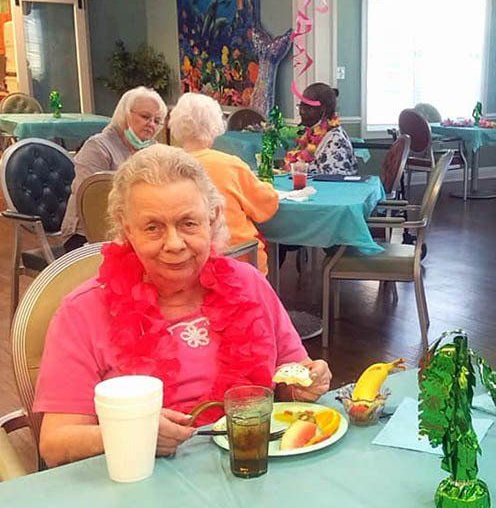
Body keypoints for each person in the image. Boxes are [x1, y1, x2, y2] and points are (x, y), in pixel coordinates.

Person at [34, 145, 331, 467]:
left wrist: (307, 383)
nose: (174, 244)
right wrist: (133, 429)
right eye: (153, 227)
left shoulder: (250, 285)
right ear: (126, 228)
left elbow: (292, 377)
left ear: (212, 219)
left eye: (188, 223)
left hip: (254, 464)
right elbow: (55, 444)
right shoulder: (82, 312)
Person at [170, 92, 279, 274]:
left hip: (185, 262)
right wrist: (268, 186)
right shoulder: (230, 164)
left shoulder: (168, 166)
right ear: (215, 126)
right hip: (237, 259)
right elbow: (266, 207)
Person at [62, 86, 167, 252]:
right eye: (145, 117)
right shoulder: (97, 147)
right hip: (88, 235)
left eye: (157, 121)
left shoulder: (154, 150)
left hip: (139, 232)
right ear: (125, 114)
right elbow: (91, 201)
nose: (151, 125)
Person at [286, 82, 357, 175]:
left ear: (323, 110)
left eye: (308, 108)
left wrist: (298, 168)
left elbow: (332, 177)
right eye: (301, 106)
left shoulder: (336, 139)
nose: (301, 112)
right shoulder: (309, 133)